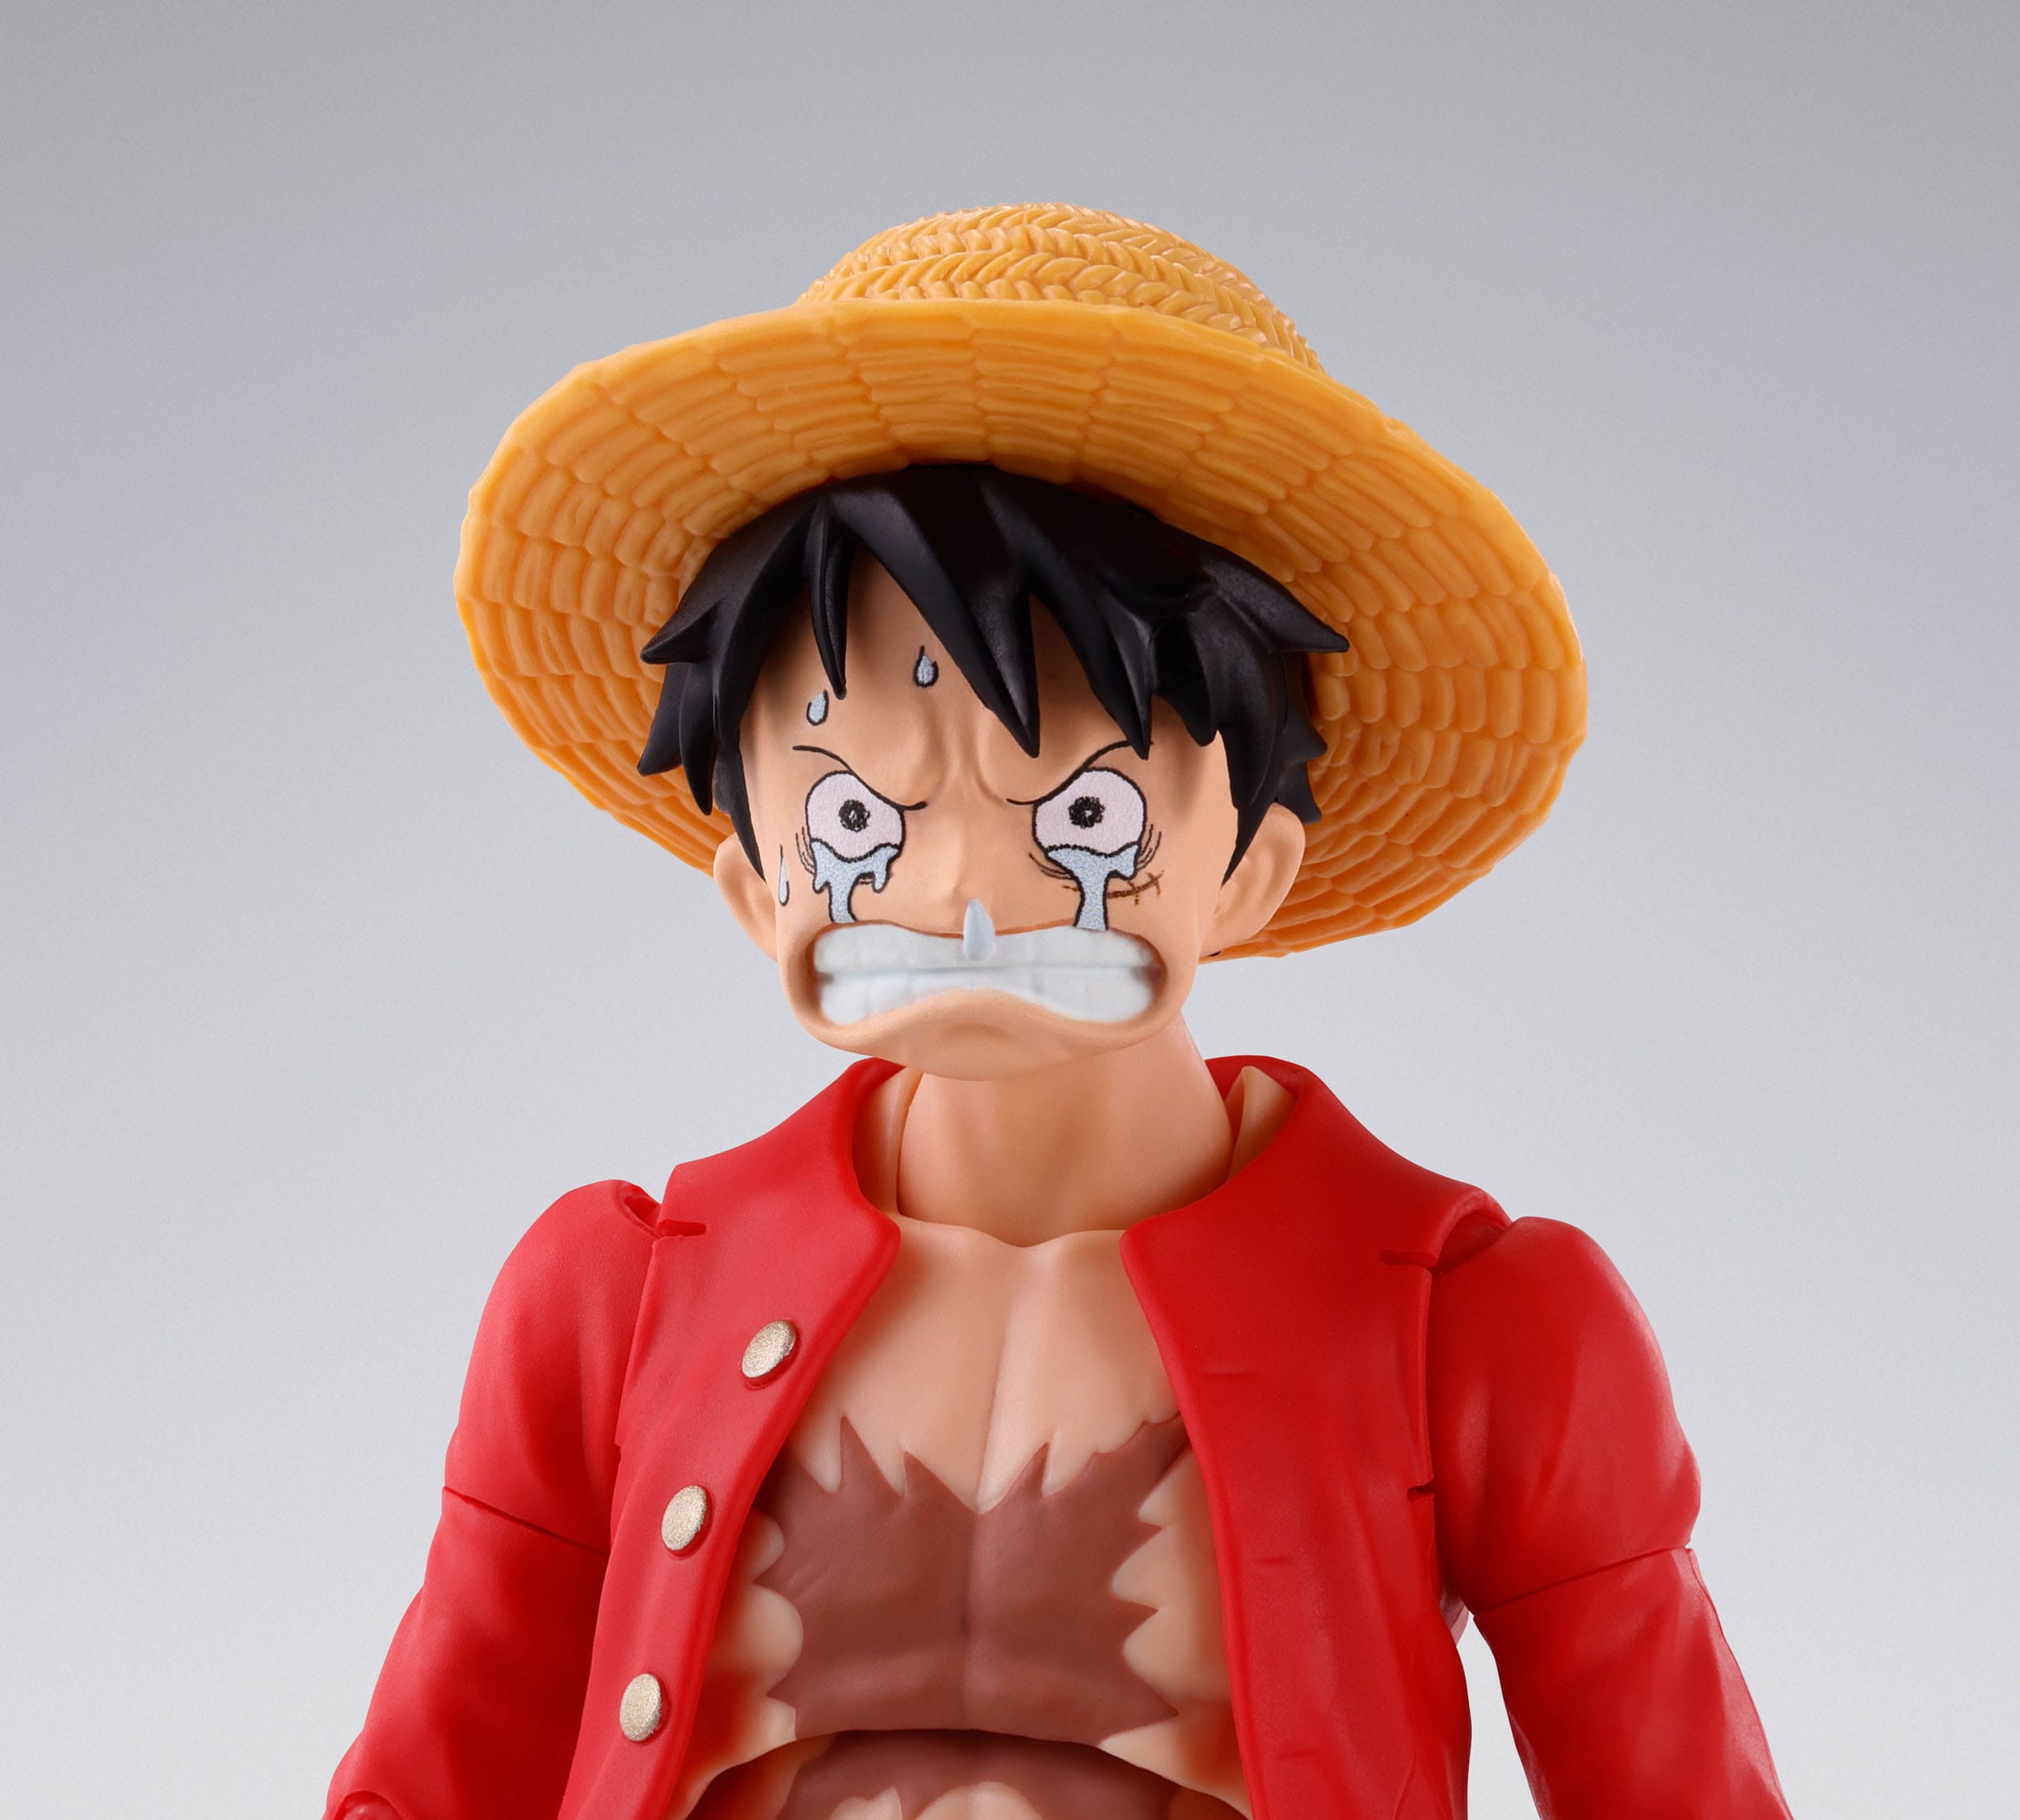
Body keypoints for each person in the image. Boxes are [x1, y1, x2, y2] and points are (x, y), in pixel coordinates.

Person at [328, 205, 1790, 1820]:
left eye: (1082, 813)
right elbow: (427, 1784)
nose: (963, 889)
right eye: (857, 820)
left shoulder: (1480, 1331)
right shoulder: (607, 1307)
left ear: (1253, 865)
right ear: (750, 884)